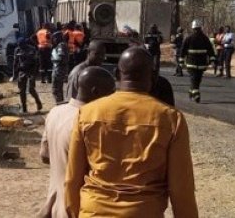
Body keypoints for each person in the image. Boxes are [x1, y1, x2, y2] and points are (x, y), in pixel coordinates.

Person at [65, 47, 198, 218]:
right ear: (154, 77)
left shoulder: (87, 113)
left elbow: (72, 179)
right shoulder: (171, 119)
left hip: (93, 212)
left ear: (117, 75)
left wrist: (76, 213)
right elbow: (181, 189)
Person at [38, 66, 116, 218]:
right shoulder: (91, 123)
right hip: (78, 208)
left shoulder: (56, 112)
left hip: (55, 205)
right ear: (96, 92)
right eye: (111, 92)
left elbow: (44, 156)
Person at [181, 20, 215, 103]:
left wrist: (181, 62)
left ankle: (193, 92)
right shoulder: (205, 38)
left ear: (193, 28)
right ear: (200, 28)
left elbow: (182, 51)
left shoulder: (189, 38)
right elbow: (211, 51)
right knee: (196, 79)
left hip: (192, 63)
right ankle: (196, 93)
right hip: (200, 64)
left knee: (195, 79)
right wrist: (212, 60)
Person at [11, 37, 43, 113]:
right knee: (22, 91)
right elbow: (15, 62)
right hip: (22, 72)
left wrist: (35, 72)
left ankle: (38, 102)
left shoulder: (31, 49)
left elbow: (34, 60)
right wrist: (14, 74)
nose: (20, 47)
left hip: (31, 71)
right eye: (19, 45)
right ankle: (24, 107)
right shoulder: (17, 50)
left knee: (31, 89)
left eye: (21, 45)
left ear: (25, 44)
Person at [51, 31, 70, 103]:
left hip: (59, 70)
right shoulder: (61, 45)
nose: (53, 40)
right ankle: (60, 104)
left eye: (55, 38)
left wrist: (52, 58)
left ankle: (60, 104)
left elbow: (60, 58)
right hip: (58, 69)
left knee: (56, 89)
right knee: (58, 89)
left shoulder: (61, 45)